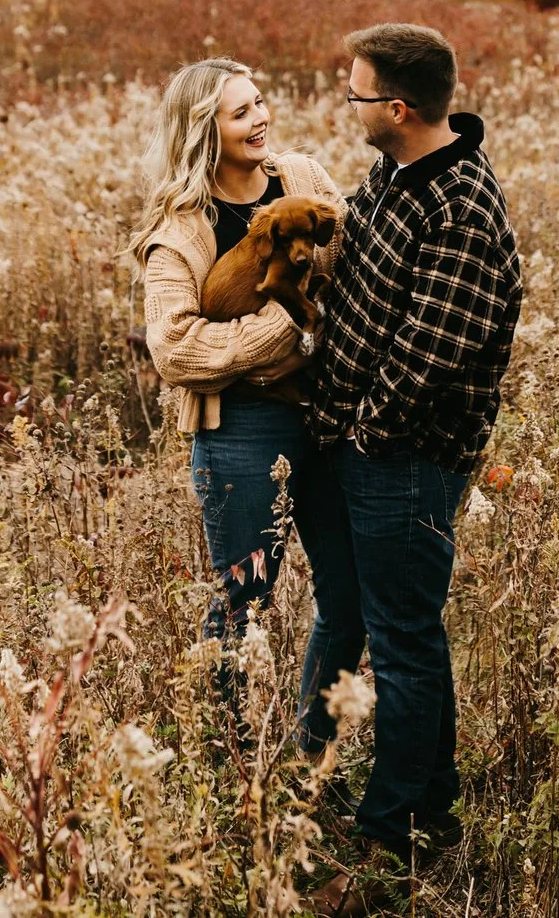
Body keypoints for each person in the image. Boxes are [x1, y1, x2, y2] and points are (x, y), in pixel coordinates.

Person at [299, 22, 525, 876]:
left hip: (404, 458)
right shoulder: (394, 173)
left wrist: (364, 437)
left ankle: (387, 835)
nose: (346, 103)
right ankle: (434, 803)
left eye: (355, 92)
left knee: (400, 643)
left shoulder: (460, 204)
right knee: (407, 635)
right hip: (362, 449)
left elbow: (432, 350)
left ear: (397, 106)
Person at [130, 57, 351, 714]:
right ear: (205, 131)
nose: (260, 119)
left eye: (259, 103)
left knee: (350, 594)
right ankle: (225, 760)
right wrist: (283, 325)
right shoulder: (180, 229)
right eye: (241, 112)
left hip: (328, 414)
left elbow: (349, 251)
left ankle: (314, 753)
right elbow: (174, 348)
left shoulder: (300, 176)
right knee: (245, 597)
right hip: (242, 431)